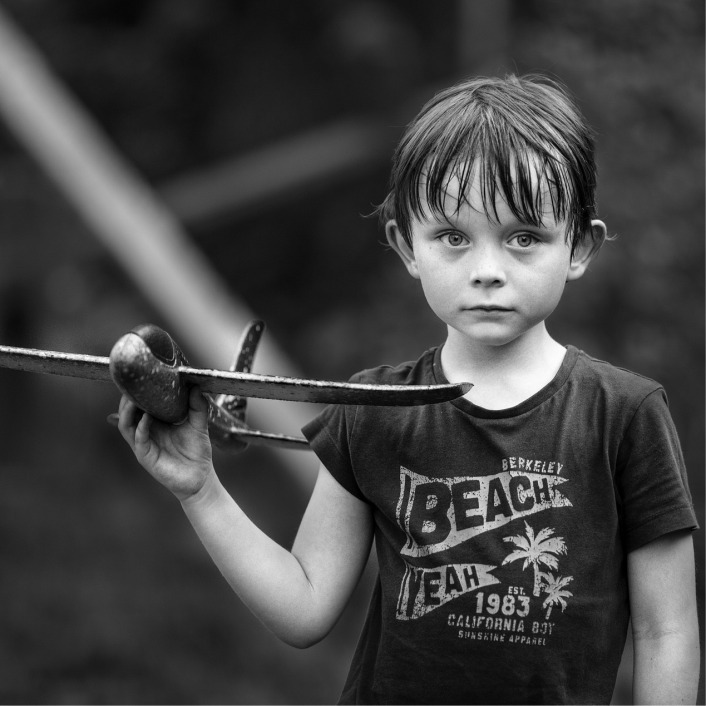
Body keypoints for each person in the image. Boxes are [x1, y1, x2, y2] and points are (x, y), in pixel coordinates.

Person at [117, 74, 700, 704]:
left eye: (524, 238)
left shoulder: (625, 415)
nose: (486, 271)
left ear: (579, 245)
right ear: (406, 246)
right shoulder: (374, 411)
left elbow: (666, 631)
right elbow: (305, 608)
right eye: (452, 238)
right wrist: (201, 490)